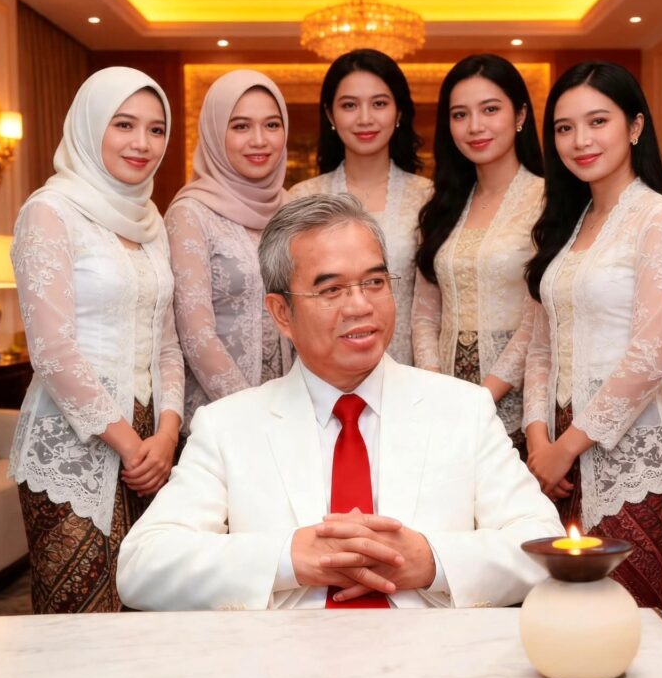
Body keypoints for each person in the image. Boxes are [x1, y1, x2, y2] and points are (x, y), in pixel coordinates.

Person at [117, 193, 564, 611]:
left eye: (374, 282)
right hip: (284, 662)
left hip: (431, 658)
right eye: (331, 290)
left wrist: (433, 560)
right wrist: (289, 558)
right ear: (282, 313)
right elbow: (142, 566)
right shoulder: (228, 426)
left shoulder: (463, 410)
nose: (360, 306)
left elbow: (545, 545)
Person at [523, 62, 662, 608]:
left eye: (597, 121)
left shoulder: (660, 220)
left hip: (629, 456)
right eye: (565, 127)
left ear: (635, 126)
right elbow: (541, 347)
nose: (580, 140)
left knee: (628, 614)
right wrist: (538, 441)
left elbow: (650, 358)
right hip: (555, 454)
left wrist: (566, 447)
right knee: (560, 611)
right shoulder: (567, 224)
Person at [9, 67, 184, 613]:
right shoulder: (49, 211)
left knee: (152, 610)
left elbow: (167, 343)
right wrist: (130, 445)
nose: (142, 143)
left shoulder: (150, 221)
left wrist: (168, 435)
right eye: (124, 124)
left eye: (156, 129)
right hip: (73, 446)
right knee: (79, 618)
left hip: (152, 445)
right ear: (89, 127)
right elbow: (52, 351)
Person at [413, 55, 544, 457]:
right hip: (444, 407)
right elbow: (424, 315)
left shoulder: (548, 200)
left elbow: (538, 320)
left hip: (517, 404)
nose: (474, 126)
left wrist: (483, 396)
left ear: (520, 115)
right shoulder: (442, 207)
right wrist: (436, 387)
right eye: (460, 114)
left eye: (490, 109)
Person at [165, 71, 293, 435]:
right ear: (214, 132)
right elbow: (195, 335)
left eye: (272, 125)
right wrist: (254, 418)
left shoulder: (292, 208)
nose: (259, 140)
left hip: (293, 412)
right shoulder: (190, 214)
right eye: (240, 126)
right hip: (221, 421)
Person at [288, 49, 432, 365]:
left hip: (406, 371)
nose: (365, 118)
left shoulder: (428, 197)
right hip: (325, 370)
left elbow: (431, 308)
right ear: (330, 115)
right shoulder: (302, 198)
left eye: (379, 104)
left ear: (399, 112)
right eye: (349, 105)